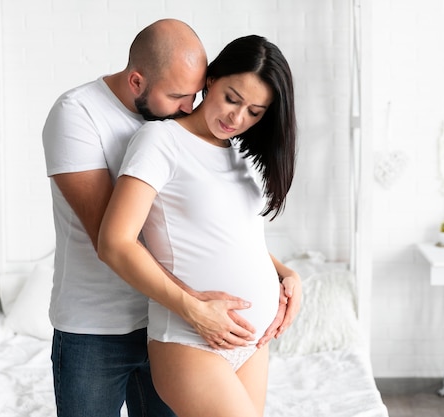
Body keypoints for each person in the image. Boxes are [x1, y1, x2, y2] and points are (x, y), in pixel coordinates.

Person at [42, 19, 300, 417]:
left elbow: (224, 237)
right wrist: (194, 307)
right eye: (181, 95)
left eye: (254, 111)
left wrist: (283, 275)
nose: (188, 106)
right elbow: (111, 240)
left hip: (189, 325)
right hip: (102, 326)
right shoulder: (86, 116)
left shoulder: (224, 148)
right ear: (137, 82)